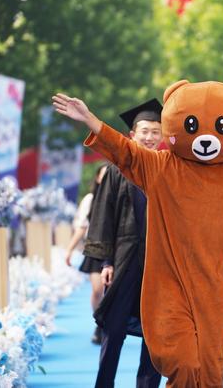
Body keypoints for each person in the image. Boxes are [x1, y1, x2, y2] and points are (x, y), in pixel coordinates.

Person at [52, 80, 223, 387]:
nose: (206, 138)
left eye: (219, 126)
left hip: (213, 289)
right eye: (193, 125)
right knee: (183, 363)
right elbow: (125, 153)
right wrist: (92, 122)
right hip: (168, 286)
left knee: (210, 371)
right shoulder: (163, 165)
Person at [84, 99, 163, 388]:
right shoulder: (117, 170)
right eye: (145, 131)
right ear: (132, 135)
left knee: (155, 331)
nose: (150, 137)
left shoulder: (168, 169)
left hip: (160, 264)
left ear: (163, 136)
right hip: (125, 258)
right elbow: (104, 216)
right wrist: (106, 261)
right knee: (114, 329)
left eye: (156, 132)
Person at [64, 164, 107, 344]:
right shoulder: (90, 199)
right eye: (103, 176)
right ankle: (100, 323)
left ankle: (109, 323)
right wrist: (69, 249)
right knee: (98, 290)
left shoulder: (120, 195)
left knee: (110, 291)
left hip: (117, 249)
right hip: (95, 248)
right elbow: (82, 227)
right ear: (97, 178)